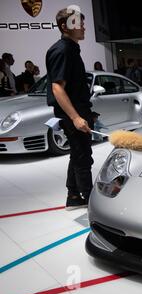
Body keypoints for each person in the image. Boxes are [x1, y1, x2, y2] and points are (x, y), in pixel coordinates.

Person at [46, 8, 95, 210]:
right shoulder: (63, 50)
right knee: (83, 156)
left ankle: (73, 195)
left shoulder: (71, 49)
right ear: (65, 26)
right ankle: (91, 200)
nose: (83, 26)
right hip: (73, 114)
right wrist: (75, 117)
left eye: (83, 22)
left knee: (77, 153)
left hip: (79, 111)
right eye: (78, 23)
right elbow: (57, 87)